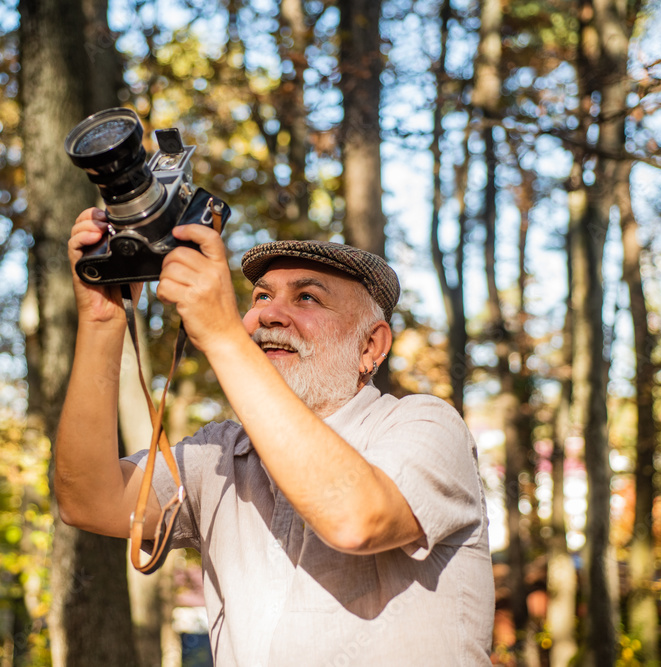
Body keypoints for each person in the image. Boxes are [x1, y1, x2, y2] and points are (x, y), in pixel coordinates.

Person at [56, 207, 495, 665]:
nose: (270, 315)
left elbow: (355, 518)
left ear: (371, 346)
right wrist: (101, 323)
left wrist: (223, 334)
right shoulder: (221, 454)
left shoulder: (426, 425)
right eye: (261, 297)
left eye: (307, 298)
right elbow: (88, 500)